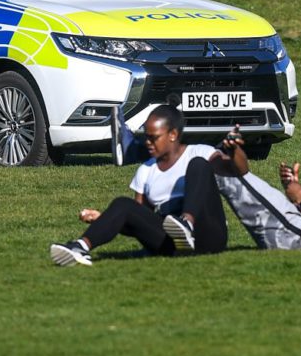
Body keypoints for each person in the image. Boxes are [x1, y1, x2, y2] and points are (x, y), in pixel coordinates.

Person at [49, 105, 241, 266]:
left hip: (208, 236)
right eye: (146, 137)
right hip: (174, 246)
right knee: (123, 204)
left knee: (198, 164)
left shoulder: (200, 153)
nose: (147, 143)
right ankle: (79, 247)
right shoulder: (146, 170)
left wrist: (235, 150)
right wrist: (105, 219)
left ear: (173, 134)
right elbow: (139, 222)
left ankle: (187, 223)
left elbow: (239, 170)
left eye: (153, 137)